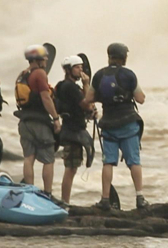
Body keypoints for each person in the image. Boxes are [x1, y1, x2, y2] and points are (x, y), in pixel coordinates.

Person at [86, 43, 148, 210]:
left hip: (108, 124)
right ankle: (140, 197)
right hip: (128, 124)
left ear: (109, 56)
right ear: (124, 57)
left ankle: (105, 199)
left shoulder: (99, 75)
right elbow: (141, 98)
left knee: (108, 163)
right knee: (134, 161)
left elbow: (89, 98)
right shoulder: (129, 75)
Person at [13, 44, 65, 207]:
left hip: (24, 121)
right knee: (48, 159)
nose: (47, 60)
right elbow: (45, 98)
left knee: (29, 158)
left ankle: (29, 190)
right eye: (45, 58)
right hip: (39, 122)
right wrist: (56, 118)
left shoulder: (22, 74)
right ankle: (48, 194)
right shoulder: (39, 74)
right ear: (38, 59)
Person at [55, 55, 97, 205]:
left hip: (70, 128)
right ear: (68, 70)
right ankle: (65, 202)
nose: (81, 70)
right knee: (71, 168)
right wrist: (87, 85)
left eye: (81, 67)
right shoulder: (71, 87)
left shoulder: (62, 86)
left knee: (71, 167)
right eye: (77, 67)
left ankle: (65, 201)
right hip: (73, 131)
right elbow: (87, 104)